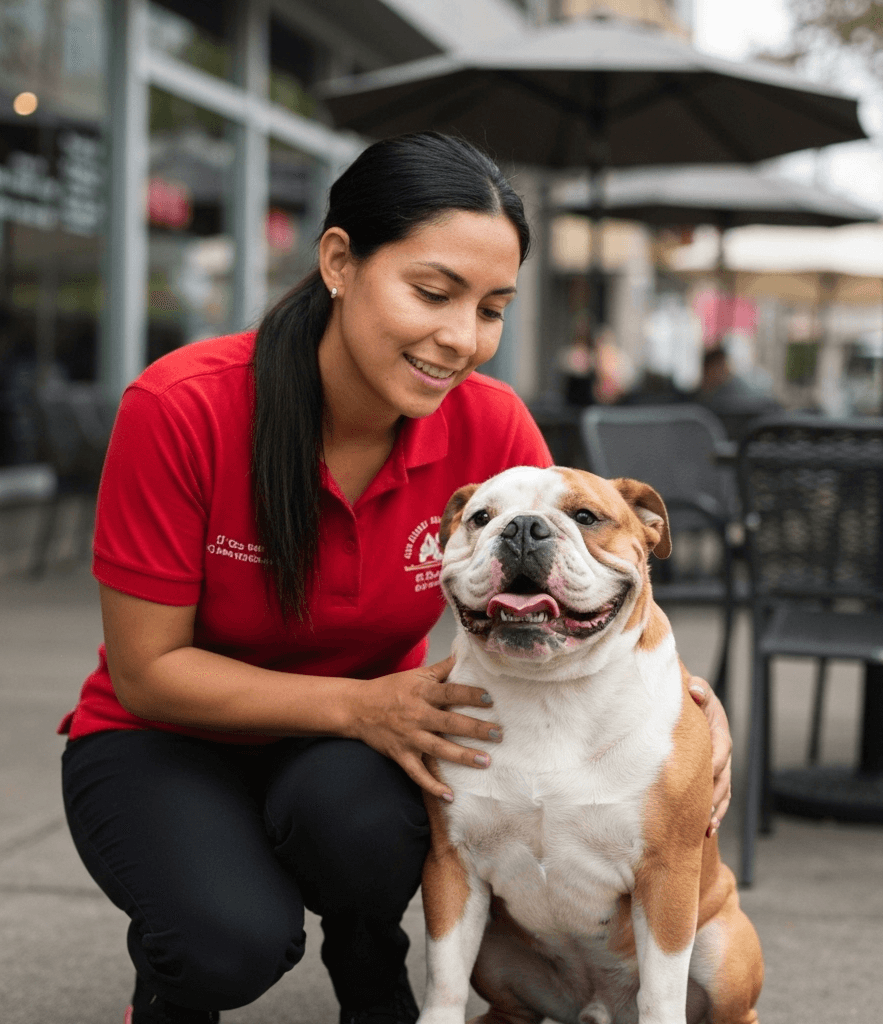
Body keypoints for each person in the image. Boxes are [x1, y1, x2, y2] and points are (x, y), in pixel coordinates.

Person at [59, 132, 733, 1024]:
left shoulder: (492, 429)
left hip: (351, 747)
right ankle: (183, 964)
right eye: (432, 292)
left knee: (371, 825)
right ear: (339, 261)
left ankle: (366, 951)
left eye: (492, 308)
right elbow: (149, 671)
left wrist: (690, 706)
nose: (461, 339)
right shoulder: (182, 408)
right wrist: (362, 707)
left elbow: (585, 578)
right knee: (228, 943)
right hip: (167, 735)